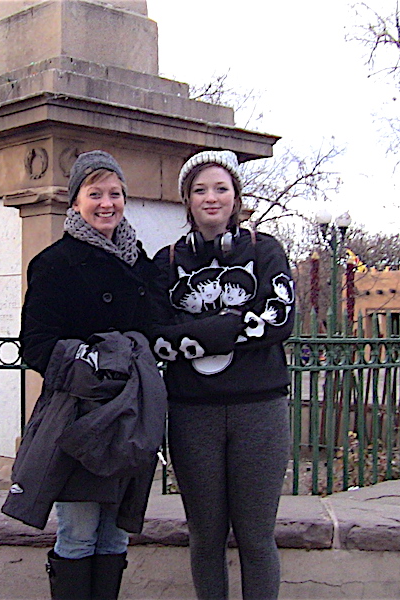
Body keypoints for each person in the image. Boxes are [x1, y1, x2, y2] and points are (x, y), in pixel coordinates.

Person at [13, 150, 165, 600]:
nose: (106, 203)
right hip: (80, 414)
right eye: (94, 193)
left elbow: (157, 329)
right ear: (75, 201)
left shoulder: (142, 262)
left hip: (129, 416)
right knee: (78, 533)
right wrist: (90, 364)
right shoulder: (54, 263)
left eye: (114, 193)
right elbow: (36, 343)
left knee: (116, 535)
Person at [150, 150, 294, 600]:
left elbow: (280, 319)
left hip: (260, 412)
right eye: (199, 190)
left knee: (255, 536)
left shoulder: (265, 250)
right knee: (206, 536)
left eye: (220, 188)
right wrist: (234, 325)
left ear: (235, 197)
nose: (210, 197)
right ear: (187, 201)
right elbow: (156, 337)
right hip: (193, 416)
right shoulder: (166, 262)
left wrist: (198, 333)